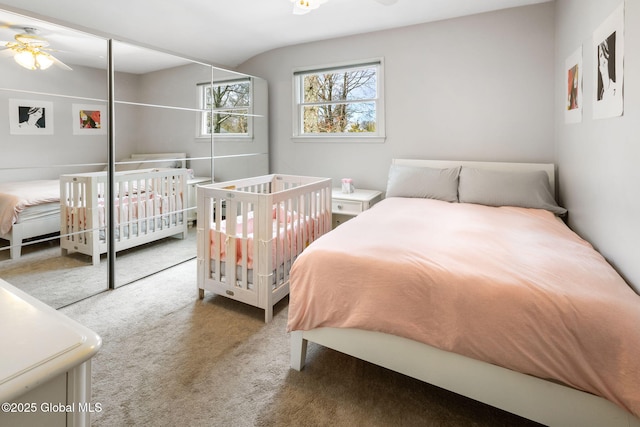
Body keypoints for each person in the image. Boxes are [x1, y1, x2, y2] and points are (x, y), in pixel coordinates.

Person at [597, 34, 617, 101]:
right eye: (600, 55)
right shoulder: (600, 95)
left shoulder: (615, 90)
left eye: (602, 54)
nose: (602, 59)